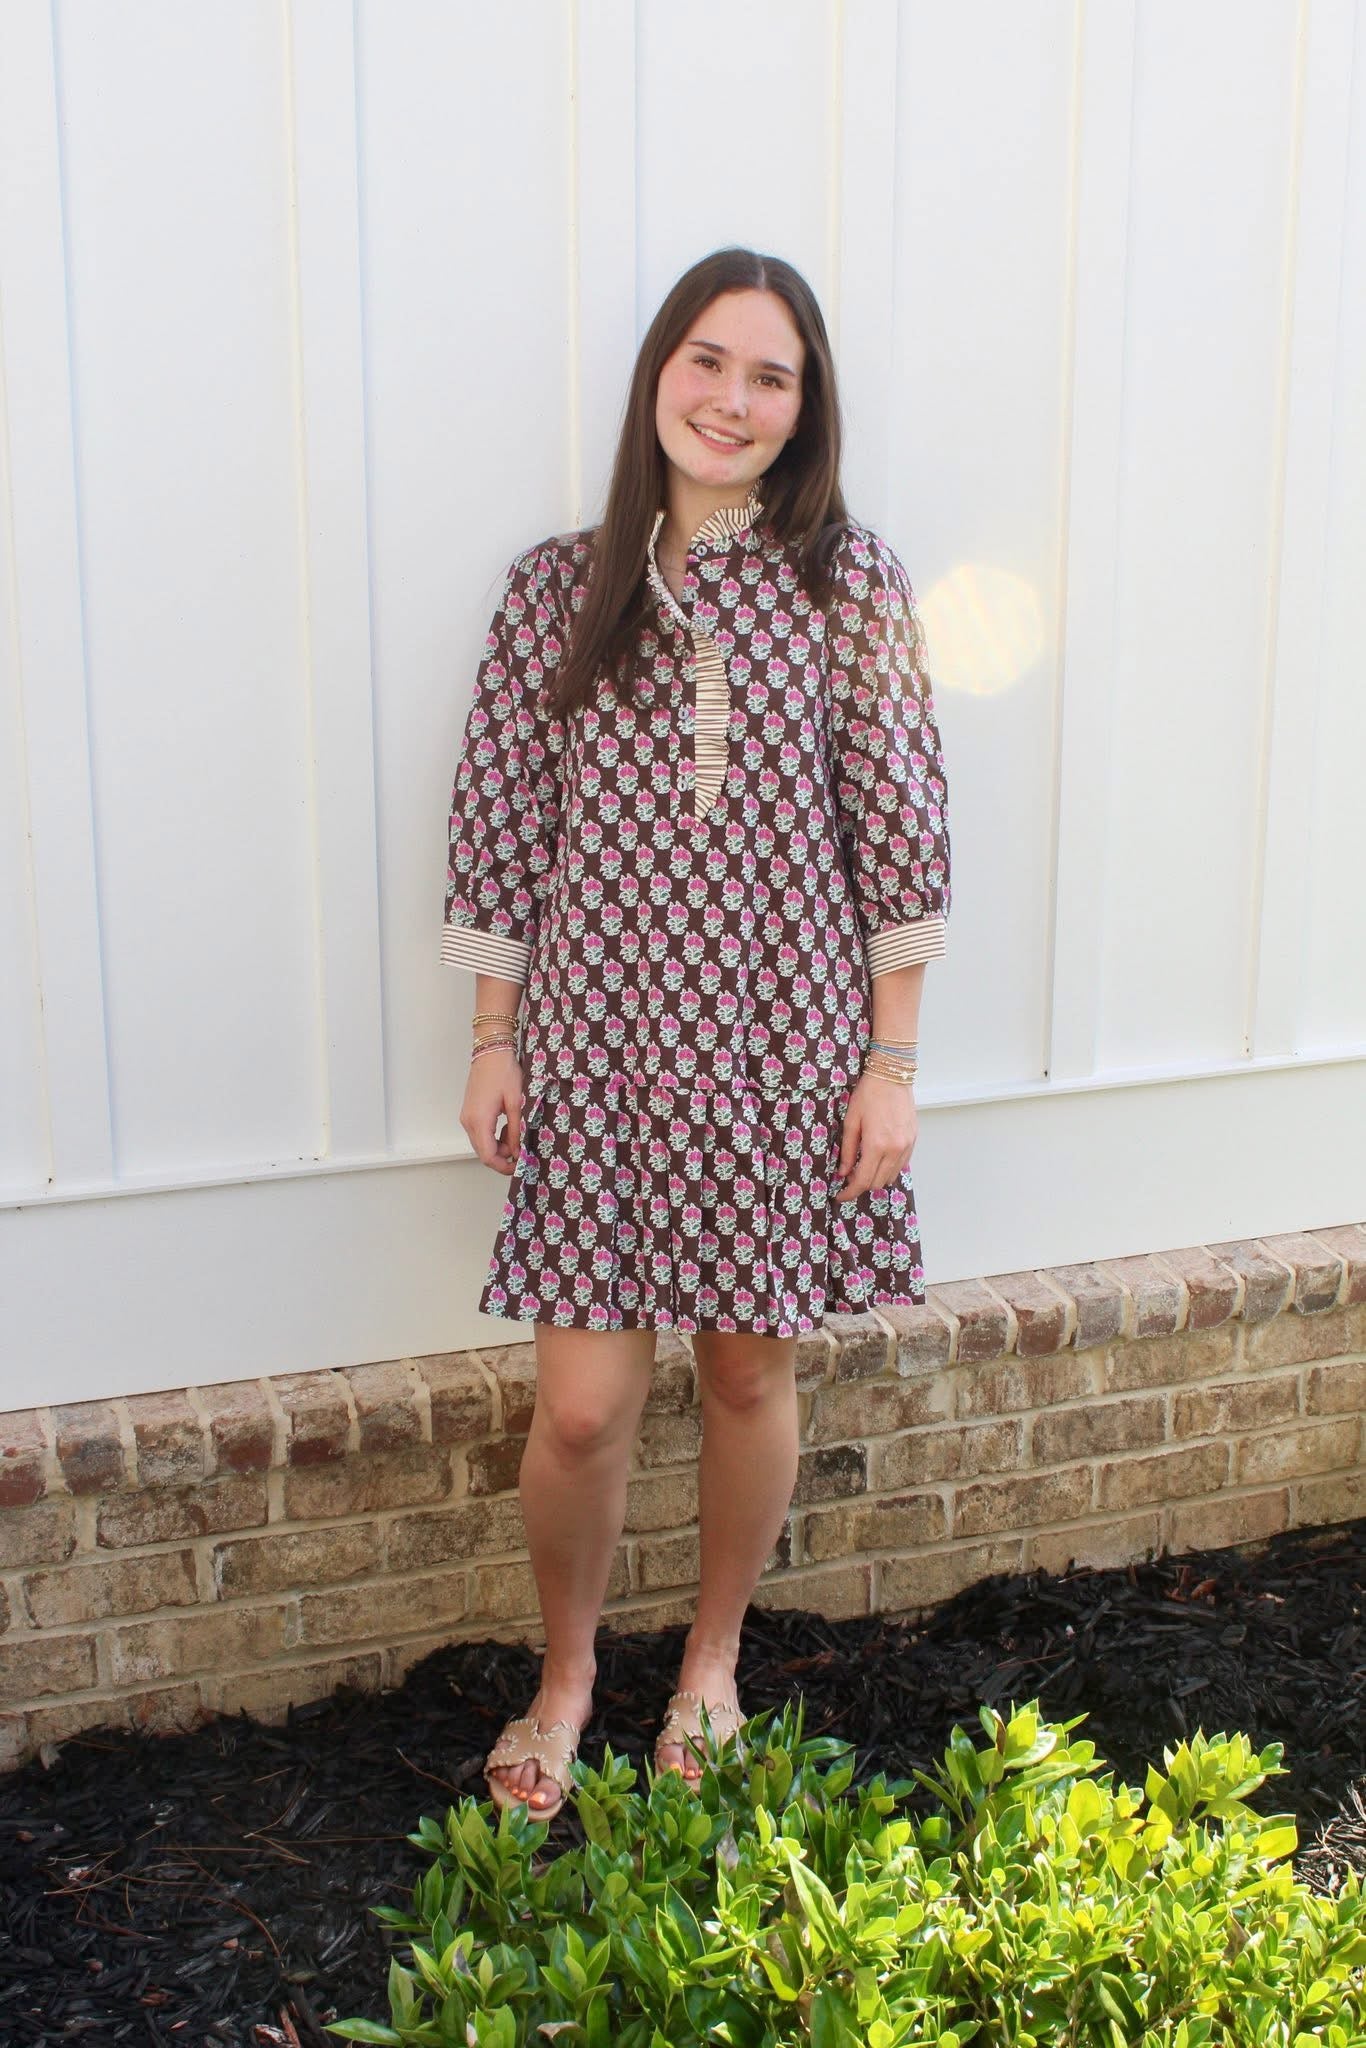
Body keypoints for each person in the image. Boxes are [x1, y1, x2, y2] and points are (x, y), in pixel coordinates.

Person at [440, 246, 951, 1821]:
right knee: (583, 1406)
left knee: (744, 1376)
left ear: (805, 412)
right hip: (591, 1055)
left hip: (784, 1054)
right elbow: (498, 822)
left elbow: (901, 827)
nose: (731, 399)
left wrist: (892, 1064)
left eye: (770, 376)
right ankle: (568, 1672)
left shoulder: (845, 581)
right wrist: (492, 1032)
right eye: (707, 361)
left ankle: (714, 1659)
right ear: (659, 371)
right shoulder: (558, 583)